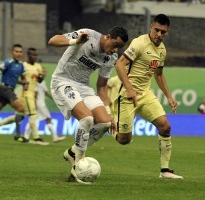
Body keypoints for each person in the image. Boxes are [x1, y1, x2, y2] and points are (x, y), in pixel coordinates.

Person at [48, 26, 128, 183]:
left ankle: (72, 152)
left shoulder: (110, 58)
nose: (115, 50)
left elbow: (102, 86)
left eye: (119, 47)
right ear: (107, 36)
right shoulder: (88, 35)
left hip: (83, 86)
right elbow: (53, 41)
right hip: (63, 81)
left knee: (105, 123)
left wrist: (108, 112)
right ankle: (78, 165)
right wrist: (75, 41)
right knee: (87, 119)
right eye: (115, 44)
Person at [112, 14, 183, 179]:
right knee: (124, 140)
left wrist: (169, 97)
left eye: (163, 32)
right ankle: (111, 125)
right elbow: (120, 64)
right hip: (127, 95)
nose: (159, 34)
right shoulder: (139, 43)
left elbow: (158, 75)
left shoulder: (162, 50)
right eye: (157, 30)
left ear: (168, 31)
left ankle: (165, 170)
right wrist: (129, 89)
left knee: (165, 126)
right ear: (151, 26)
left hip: (145, 94)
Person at [0, 47, 49, 145]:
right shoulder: (23, 65)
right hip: (25, 94)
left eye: (36, 55)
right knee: (33, 114)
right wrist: (22, 83)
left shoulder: (38, 66)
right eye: (32, 55)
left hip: (30, 93)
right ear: (28, 55)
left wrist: (42, 76)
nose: (34, 57)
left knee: (20, 116)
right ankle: (37, 138)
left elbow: (38, 81)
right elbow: (17, 78)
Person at [23, 67, 66, 143]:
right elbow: (35, 94)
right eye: (43, 71)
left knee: (33, 119)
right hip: (39, 104)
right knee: (48, 119)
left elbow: (45, 93)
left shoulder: (42, 82)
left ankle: (25, 137)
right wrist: (35, 105)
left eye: (45, 72)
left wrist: (55, 99)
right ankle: (55, 137)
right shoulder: (36, 81)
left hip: (40, 104)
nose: (44, 73)